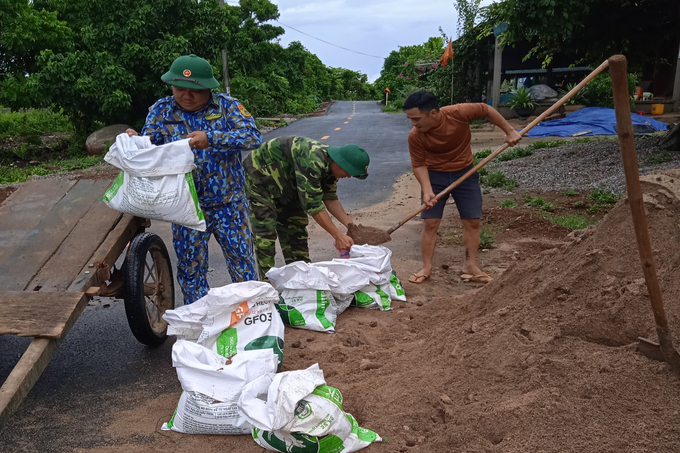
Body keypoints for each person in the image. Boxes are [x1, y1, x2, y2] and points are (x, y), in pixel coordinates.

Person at [126, 54, 262, 304]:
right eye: (180, 89)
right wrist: (135, 139)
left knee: (242, 263)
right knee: (191, 270)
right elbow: (150, 147)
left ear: (208, 88)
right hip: (185, 205)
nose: (186, 96)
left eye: (194, 91)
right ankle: (200, 324)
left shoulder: (227, 107)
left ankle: (250, 319)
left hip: (228, 203)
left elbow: (253, 137)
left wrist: (212, 138)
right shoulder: (161, 109)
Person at [403, 90, 521, 285]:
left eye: (416, 119)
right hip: (434, 176)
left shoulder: (458, 113)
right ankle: (426, 267)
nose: (413, 124)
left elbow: (486, 110)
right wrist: (427, 189)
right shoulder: (415, 136)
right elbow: (418, 164)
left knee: (472, 221)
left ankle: (470, 266)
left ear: (433, 113)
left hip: (464, 173)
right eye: (411, 120)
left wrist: (509, 130)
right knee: (430, 222)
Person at [244, 136, 369, 279]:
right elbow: (314, 206)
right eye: (348, 172)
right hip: (259, 176)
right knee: (266, 229)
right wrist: (338, 236)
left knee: (296, 226)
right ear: (340, 163)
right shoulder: (312, 160)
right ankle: (266, 282)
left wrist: (352, 227)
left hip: (289, 182)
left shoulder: (331, 168)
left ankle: (301, 277)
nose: (348, 176)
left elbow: (330, 198)